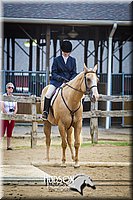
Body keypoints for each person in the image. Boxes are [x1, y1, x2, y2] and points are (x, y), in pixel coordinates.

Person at [42, 40, 77, 120]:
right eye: (65, 52)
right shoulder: (57, 60)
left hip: (69, 82)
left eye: (68, 52)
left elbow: (74, 73)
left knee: (80, 96)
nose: (66, 53)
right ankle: (45, 112)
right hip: (57, 82)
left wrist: (70, 80)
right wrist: (60, 78)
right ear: (62, 50)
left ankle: (78, 114)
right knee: (48, 94)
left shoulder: (73, 60)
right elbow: (53, 72)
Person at [0, 82, 18, 150]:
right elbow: (2, 107)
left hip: (12, 115)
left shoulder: (14, 98)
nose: (11, 89)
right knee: (1, 131)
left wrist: (13, 115)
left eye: (12, 88)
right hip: (4, 116)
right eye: (9, 87)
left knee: (9, 132)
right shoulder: (3, 96)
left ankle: (8, 146)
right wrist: (7, 116)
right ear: (6, 89)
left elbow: (16, 108)